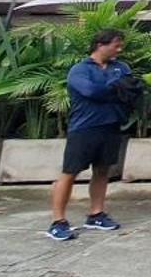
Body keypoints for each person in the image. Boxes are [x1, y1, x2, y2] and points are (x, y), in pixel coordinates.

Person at [47, 28, 134, 241]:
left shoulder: (120, 67)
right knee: (70, 172)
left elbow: (132, 90)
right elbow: (90, 92)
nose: (119, 49)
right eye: (116, 45)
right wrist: (116, 88)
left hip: (111, 126)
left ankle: (96, 214)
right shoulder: (79, 70)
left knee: (102, 171)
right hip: (84, 128)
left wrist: (119, 89)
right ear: (100, 45)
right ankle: (58, 221)